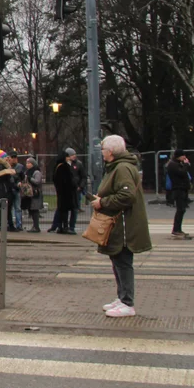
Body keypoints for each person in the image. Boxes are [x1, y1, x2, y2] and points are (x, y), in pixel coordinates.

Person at [92, 134, 151, 317]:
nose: (102, 154)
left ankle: (127, 302)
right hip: (119, 223)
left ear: (110, 152)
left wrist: (103, 203)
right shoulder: (119, 167)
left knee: (123, 261)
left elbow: (126, 196)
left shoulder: (122, 168)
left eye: (103, 150)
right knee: (117, 259)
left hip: (124, 224)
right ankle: (122, 297)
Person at [166, 148, 192, 239]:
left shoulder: (176, 164)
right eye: (183, 155)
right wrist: (186, 165)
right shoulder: (173, 165)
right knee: (180, 209)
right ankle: (176, 229)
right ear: (178, 156)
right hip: (178, 189)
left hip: (182, 189)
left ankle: (178, 229)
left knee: (182, 209)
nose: (184, 157)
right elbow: (182, 173)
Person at [51, 149, 78, 234]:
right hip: (67, 193)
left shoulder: (57, 166)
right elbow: (68, 180)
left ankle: (60, 226)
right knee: (66, 210)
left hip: (60, 192)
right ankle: (65, 227)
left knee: (61, 210)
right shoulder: (64, 166)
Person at [0, 149, 16, 231]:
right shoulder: (0, 166)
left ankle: (2, 225)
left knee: (5, 208)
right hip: (3, 190)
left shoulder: (2, 165)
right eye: (5, 157)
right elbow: (0, 176)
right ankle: (7, 225)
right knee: (6, 208)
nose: (7, 158)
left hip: (4, 189)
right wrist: (8, 171)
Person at [69, 150, 87, 233]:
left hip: (76, 190)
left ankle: (72, 227)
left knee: (74, 209)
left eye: (74, 154)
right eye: (72, 155)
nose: (74, 156)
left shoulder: (79, 164)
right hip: (66, 190)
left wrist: (80, 186)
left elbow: (83, 177)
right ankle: (63, 226)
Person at [23, 157, 42, 233]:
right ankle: (34, 226)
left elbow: (37, 181)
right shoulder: (27, 172)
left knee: (35, 210)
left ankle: (36, 226)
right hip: (29, 193)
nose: (27, 164)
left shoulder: (36, 172)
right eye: (27, 163)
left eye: (29, 163)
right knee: (31, 210)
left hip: (35, 193)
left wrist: (29, 178)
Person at [9, 151, 25, 230]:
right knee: (11, 208)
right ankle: (11, 224)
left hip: (16, 189)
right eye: (12, 158)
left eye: (15, 158)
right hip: (10, 189)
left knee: (17, 208)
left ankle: (19, 225)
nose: (14, 159)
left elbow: (22, 176)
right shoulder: (7, 166)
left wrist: (20, 182)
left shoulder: (20, 167)